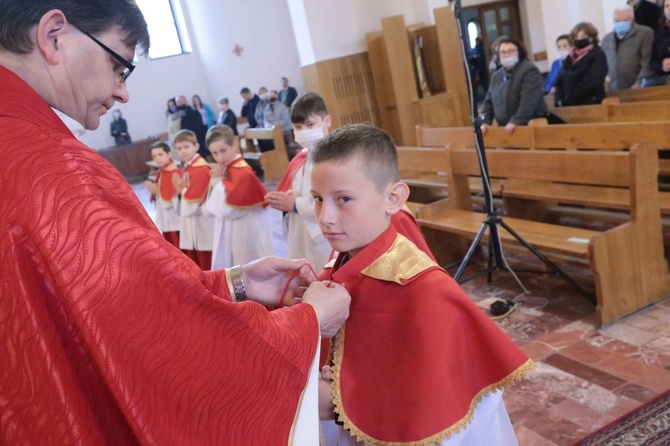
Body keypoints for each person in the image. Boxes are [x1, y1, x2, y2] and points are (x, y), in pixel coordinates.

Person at [0, 1, 351, 444]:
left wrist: (234, 284)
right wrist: (308, 320)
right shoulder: (55, 170)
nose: (122, 91)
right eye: (118, 65)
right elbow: (166, 340)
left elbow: (116, 305)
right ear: (53, 36)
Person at [311, 124, 533, 445]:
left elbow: (428, 395)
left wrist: (341, 396)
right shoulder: (347, 253)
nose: (325, 217)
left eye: (343, 199)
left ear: (393, 198)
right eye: (317, 199)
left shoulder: (427, 290)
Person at [265, 93, 334, 270]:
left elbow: (334, 201)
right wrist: (291, 197)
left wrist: (295, 204)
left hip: (325, 235)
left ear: (327, 121)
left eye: (310, 125)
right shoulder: (302, 157)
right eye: (298, 127)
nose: (304, 131)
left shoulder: (335, 158)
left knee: (326, 273)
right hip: (302, 230)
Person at [204, 125, 273, 269]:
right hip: (234, 230)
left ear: (234, 145)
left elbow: (227, 211)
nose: (219, 157)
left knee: (249, 268)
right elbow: (211, 209)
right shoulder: (226, 169)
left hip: (246, 231)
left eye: (223, 151)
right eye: (214, 153)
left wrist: (216, 182)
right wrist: (216, 181)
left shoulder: (243, 173)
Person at [481, 38, 548, 135]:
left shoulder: (529, 70)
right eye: (503, 52)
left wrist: (516, 121)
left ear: (519, 52)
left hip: (529, 125)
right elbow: (488, 103)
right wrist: (485, 122)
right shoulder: (497, 76)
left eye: (511, 51)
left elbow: (529, 100)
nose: (507, 55)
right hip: (505, 127)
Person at [172, 129, 214, 270]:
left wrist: (182, 190)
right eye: (179, 148)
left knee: (206, 260)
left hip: (202, 221)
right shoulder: (188, 167)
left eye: (186, 147)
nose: (183, 151)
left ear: (196, 146)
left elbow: (195, 203)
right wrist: (181, 191)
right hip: (192, 222)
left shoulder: (200, 169)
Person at [555, 23, 608, 106]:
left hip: (590, 103)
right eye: (576, 37)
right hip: (568, 104)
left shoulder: (598, 54)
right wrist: (559, 99)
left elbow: (593, 82)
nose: (579, 39)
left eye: (583, 36)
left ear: (591, 38)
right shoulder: (570, 56)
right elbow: (560, 79)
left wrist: (569, 98)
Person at [602, 5, 654, 90]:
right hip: (614, 88)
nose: (621, 23)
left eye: (625, 20)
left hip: (637, 87)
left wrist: (639, 82)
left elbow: (647, 61)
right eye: (618, 21)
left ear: (632, 20)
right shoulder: (607, 39)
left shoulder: (645, 33)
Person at [144, 141, 181, 248]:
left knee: (176, 242)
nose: (157, 158)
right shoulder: (162, 171)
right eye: (154, 156)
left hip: (173, 215)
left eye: (160, 154)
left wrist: (156, 191)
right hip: (165, 214)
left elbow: (173, 196)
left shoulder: (173, 172)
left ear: (169, 154)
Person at [646, 0, 670, 86]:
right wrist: (661, 65)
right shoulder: (659, 33)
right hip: (663, 78)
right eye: (666, 6)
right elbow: (652, 60)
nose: (669, 9)